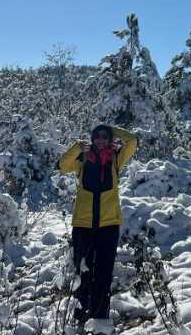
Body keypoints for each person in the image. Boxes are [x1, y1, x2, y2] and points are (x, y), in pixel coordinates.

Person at [59, 124, 137, 323]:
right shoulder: (83, 159)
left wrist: (111, 128)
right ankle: (81, 316)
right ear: (92, 139)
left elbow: (133, 140)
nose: (100, 140)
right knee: (83, 271)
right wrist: (77, 148)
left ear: (109, 139)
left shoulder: (116, 158)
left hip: (108, 226)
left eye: (104, 136)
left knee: (103, 273)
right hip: (83, 225)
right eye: (97, 136)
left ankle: (100, 319)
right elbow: (63, 165)